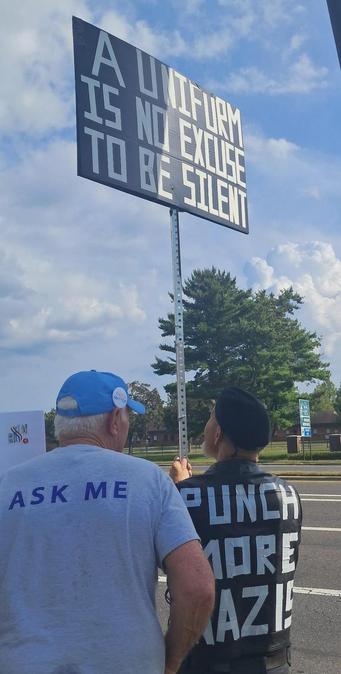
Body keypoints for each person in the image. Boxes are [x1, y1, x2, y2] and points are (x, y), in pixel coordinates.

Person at [0, 370, 215, 674]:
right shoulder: (148, 480)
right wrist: (172, 659)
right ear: (115, 419)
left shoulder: (7, 485)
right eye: (128, 417)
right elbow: (198, 587)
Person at [170, 387, 302, 674]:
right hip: (274, 661)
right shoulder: (288, 495)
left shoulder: (185, 497)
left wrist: (181, 489)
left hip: (208, 663)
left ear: (218, 433)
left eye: (209, 419)